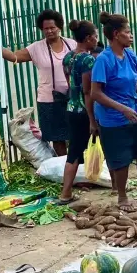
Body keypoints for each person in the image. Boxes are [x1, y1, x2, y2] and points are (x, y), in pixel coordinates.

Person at [0, 10, 74, 157]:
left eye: (52, 28)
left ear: (59, 27)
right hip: (49, 100)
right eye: (45, 29)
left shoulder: (71, 44)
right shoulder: (36, 48)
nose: (49, 31)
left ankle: (78, 167)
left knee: (76, 135)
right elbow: (13, 56)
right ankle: (64, 169)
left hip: (72, 98)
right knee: (57, 138)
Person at [90, 12, 137, 211]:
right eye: (128, 32)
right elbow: (96, 93)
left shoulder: (130, 54)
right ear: (116, 34)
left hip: (134, 114)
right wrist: (122, 109)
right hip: (112, 119)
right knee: (120, 161)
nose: (131, 35)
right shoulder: (104, 60)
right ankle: (122, 196)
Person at [58, 20, 101, 204]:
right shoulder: (88, 60)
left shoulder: (68, 57)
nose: (97, 41)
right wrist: (92, 119)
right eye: (96, 37)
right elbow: (87, 91)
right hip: (84, 110)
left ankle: (66, 192)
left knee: (74, 150)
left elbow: (70, 84)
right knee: (78, 151)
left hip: (70, 108)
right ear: (89, 38)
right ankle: (66, 193)